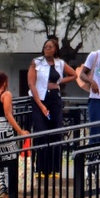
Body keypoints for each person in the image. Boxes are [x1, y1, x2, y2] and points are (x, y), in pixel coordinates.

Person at [27, 37, 77, 177]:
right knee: (42, 132)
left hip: (54, 98)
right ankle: (40, 168)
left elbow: (74, 74)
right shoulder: (36, 62)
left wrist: (59, 82)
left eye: (50, 47)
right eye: (45, 46)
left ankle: (54, 169)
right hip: (40, 99)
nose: (47, 49)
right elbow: (31, 84)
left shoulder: (59, 63)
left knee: (56, 133)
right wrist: (41, 105)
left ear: (55, 49)